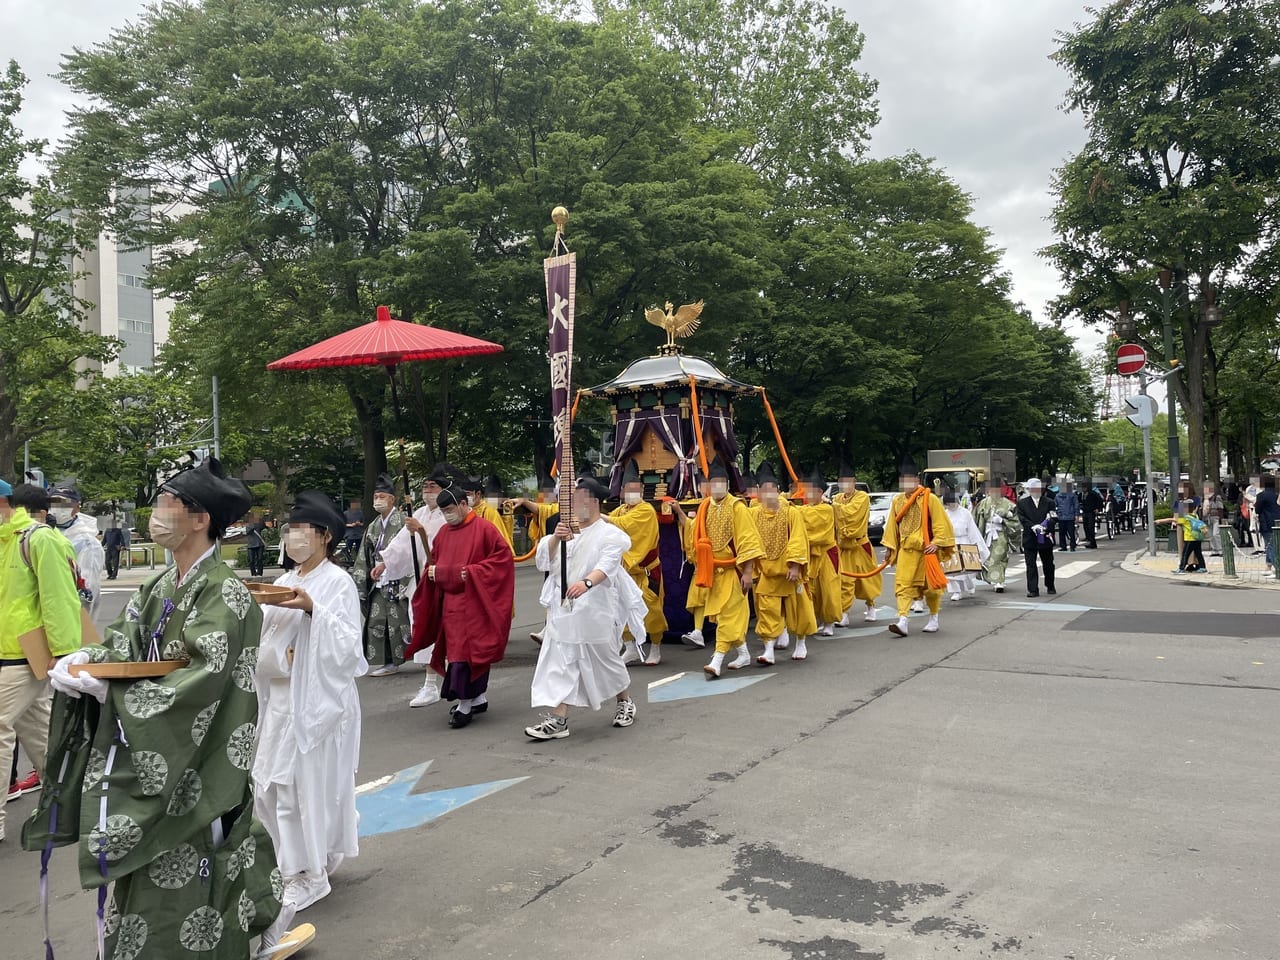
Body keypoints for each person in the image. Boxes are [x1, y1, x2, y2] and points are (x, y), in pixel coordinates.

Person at [35, 458, 289, 958]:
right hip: (158, 752)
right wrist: (87, 659)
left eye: (172, 502)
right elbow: (126, 643)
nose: (159, 511)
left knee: (195, 875)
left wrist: (114, 693)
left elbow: (203, 678)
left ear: (201, 519)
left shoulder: (225, 591)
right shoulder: (159, 586)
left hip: (201, 756)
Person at [254, 491, 365, 913]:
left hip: (315, 704)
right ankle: (301, 859)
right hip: (280, 699)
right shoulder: (283, 582)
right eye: (289, 530)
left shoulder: (336, 582)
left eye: (300, 530)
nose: (292, 537)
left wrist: (314, 611)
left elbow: (346, 646)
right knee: (268, 787)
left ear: (323, 536)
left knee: (299, 792)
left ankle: (308, 875)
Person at [525, 474, 644, 741]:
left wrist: (587, 583)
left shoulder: (610, 534)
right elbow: (545, 561)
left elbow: (608, 564)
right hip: (563, 609)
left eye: (581, 499)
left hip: (595, 608)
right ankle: (558, 719)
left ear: (594, 502)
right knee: (560, 662)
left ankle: (624, 701)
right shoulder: (565, 529)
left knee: (606, 660)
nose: (576, 504)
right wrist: (556, 538)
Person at [0, 480, 82, 844]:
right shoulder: (6, 540)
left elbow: (59, 599)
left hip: (24, 653)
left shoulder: (37, 539)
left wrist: (65, 656)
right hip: (14, 654)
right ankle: (69, 805)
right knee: (40, 733)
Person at [408, 486, 516, 728]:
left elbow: (502, 562)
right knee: (457, 655)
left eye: (449, 509)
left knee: (472, 654)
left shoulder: (485, 530)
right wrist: (433, 573)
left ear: (464, 504)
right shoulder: (444, 533)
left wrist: (463, 573)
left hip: (477, 603)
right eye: (443, 511)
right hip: (452, 606)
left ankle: (466, 703)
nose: (447, 515)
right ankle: (475, 698)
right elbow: (434, 564)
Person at [376, 464, 457, 707]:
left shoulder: (450, 513)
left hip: (446, 578)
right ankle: (430, 683)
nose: (427, 490)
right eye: (424, 486)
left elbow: (449, 543)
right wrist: (384, 563)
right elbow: (402, 542)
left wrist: (422, 532)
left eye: (432, 486)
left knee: (452, 632)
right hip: (422, 580)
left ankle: (458, 679)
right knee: (424, 628)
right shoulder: (419, 513)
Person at [687, 459, 764, 679]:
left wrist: (748, 572)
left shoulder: (737, 507)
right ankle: (744, 654)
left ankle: (717, 658)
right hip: (713, 572)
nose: (718, 486)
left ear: (728, 484)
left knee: (730, 614)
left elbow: (748, 540)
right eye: (714, 482)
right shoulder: (704, 507)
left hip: (734, 570)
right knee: (723, 616)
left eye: (722, 482)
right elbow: (695, 536)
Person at [880, 456, 955, 636]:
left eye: (909, 479)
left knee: (931, 587)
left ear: (917, 480)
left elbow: (940, 523)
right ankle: (903, 620)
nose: (906, 483)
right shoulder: (897, 501)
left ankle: (933, 617)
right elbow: (892, 526)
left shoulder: (929, 498)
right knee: (903, 585)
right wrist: (891, 548)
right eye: (903, 480)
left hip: (926, 551)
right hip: (906, 550)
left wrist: (937, 543)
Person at [750, 461, 814, 665]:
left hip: (788, 571)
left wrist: (795, 566)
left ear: (778, 490)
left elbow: (798, 538)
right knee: (767, 611)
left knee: (798, 609)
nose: (768, 493)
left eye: (772, 489)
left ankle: (801, 643)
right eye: (764, 490)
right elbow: (748, 539)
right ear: (759, 493)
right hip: (767, 573)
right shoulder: (754, 514)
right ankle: (768, 649)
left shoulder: (791, 512)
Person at [608, 459, 668, 666]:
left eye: (636, 489)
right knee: (621, 609)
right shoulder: (619, 510)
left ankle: (656, 648)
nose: (632, 492)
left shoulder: (646, 510)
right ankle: (631, 648)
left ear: (641, 490)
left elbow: (623, 524)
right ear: (623, 490)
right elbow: (611, 525)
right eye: (628, 489)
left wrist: (601, 517)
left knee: (652, 611)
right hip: (624, 573)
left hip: (646, 571)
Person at [352, 472, 413, 677]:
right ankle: (388, 662)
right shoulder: (374, 525)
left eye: (382, 497)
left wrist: (389, 566)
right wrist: (363, 576)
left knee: (400, 622)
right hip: (378, 579)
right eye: (375, 497)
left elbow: (409, 551)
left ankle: (421, 655)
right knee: (377, 621)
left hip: (399, 577)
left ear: (392, 499)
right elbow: (365, 554)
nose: (378, 500)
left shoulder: (403, 521)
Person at [831, 463, 882, 624]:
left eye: (848, 481)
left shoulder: (862, 497)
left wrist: (833, 506)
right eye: (842, 482)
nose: (845, 485)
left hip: (860, 545)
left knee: (867, 579)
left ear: (854, 481)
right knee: (844, 581)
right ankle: (844, 613)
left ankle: (871, 606)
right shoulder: (837, 498)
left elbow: (852, 513)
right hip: (843, 547)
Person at [670, 466, 712, 648]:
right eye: (703, 486)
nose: (706, 489)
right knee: (697, 599)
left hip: (718, 564)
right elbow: (691, 526)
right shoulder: (700, 507)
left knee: (725, 603)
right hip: (700, 565)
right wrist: (679, 511)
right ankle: (698, 631)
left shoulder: (725, 506)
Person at [796, 469, 842, 637]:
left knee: (828, 589)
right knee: (811, 589)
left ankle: (829, 621)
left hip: (827, 554)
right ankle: (814, 619)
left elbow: (817, 530)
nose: (807, 494)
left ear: (820, 492)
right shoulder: (803, 509)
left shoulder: (826, 509)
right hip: (810, 554)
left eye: (811, 491)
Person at [48, 484, 105, 614]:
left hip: (69, 613)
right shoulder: (44, 533)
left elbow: (87, 588)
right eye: (54, 503)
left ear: (77, 508)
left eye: (65, 504)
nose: (58, 509)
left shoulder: (87, 543)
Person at [943, 489, 988, 601]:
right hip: (950, 542)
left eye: (953, 502)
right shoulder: (944, 514)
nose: (952, 505)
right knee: (952, 571)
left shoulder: (965, 513)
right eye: (949, 503)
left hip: (964, 541)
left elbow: (972, 530)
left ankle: (970, 585)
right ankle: (956, 591)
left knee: (965, 568)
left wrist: (976, 545)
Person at [975, 477, 1018, 593]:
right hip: (987, 534)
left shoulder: (1008, 504)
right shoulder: (983, 503)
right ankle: (993, 579)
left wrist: (1003, 520)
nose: (994, 493)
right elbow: (976, 518)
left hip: (1000, 535)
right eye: (992, 490)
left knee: (999, 557)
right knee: (987, 557)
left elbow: (1016, 522)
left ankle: (1000, 582)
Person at [1017, 478, 1057, 598]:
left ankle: (1050, 585)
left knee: (1048, 563)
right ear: (1028, 489)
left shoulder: (1049, 502)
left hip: (1045, 536)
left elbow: (1053, 517)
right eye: (1032, 489)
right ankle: (1033, 589)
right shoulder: (1022, 503)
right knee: (1030, 564)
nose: (1035, 491)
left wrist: (1046, 525)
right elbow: (1022, 518)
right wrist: (1033, 526)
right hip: (1030, 536)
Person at [1156, 503, 1208, 573]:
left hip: (1189, 539)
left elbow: (1172, 520)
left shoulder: (1185, 518)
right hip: (1197, 538)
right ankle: (1202, 567)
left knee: (1185, 554)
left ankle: (1181, 568)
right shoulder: (1195, 516)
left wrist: (1159, 521)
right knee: (1198, 553)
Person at [1255, 475, 1280, 566]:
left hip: (1267, 522)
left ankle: (1276, 567)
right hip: (1278, 521)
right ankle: (1269, 565)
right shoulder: (1277, 494)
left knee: (1270, 545)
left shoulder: (1261, 496)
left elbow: (1258, 510)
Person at [1054, 481, 1079, 552]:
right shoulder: (1072, 495)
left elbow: (1055, 506)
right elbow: (1076, 506)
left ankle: (1063, 546)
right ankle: (1072, 546)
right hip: (1069, 515)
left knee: (1062, 532)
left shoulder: (1058, 495)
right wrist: (1076, 515)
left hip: (1062, 516)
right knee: (1070, 532)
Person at [1081, 484, 1104, 549]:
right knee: (1085, 526)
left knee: (1091, 527)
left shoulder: (1093, 494)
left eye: (1084, 488)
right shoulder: (1081, 494)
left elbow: (1100, 500)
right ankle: (1089, 539)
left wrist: (1097, 508)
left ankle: (1093, 543)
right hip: (1085, 511)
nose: (1083, 489)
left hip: (1091, 511)